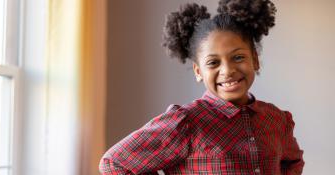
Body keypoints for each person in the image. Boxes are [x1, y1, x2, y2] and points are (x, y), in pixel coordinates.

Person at [99, 0, 304, 174]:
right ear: (198, 72)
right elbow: (114, 163)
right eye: (214, 63)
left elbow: (293, 161)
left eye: (238, 57)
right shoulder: (186, 123)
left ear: (255, 60)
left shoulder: (276, 120)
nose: (228, 70)